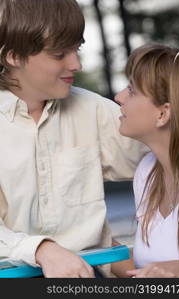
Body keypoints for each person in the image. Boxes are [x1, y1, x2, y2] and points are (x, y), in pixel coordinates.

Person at [0, 0, 147, 278]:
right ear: (13, 56)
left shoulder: (93, 110)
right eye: (59, 54)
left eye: (76, 49)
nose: (76, 64)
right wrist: (42, 250)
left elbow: (162, 156)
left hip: (89, 279)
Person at [114, 43, 179, 278]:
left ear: (163, 113)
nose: (119, 97)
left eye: (131, 90)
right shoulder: (147, 171)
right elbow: (145, 269)